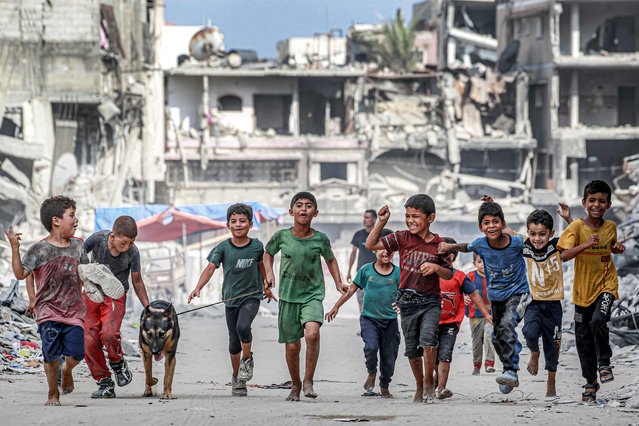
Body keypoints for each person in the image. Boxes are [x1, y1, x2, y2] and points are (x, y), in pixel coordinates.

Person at [365, 194, 453, 402]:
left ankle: (430, 383)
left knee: (429, 340)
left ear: (430, 218)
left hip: (431, 301)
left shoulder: (439, 244)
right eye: (407, 216)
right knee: (412, 349)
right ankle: (420, 384)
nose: (410, 220)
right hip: (407, 303)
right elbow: (371, 244)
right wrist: (382, 222)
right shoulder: (401, 237)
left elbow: (449, 273)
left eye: (416, 216)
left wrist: (436, 267)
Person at [438, 200, 530, 394]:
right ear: (481, 227)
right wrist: (448, 246)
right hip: (496, 298)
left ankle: (512, 370)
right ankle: (507, 369)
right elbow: (466, 247)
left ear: (503, 224)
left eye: (495, 221)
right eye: (486, 223)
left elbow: (537, 247)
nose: (491, 226)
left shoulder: (517, 243)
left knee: (506, 325)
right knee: (496, 336)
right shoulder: (480, 244)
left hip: (518, 293)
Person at [263, 191, 348, 401]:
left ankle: (308, 380)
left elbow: (331, 259)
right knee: (292, 346)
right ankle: (295, 384)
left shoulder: (320, 239)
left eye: (308, 206)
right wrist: (269, 273)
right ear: (291, 211)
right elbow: (268, 253)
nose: (303, 209)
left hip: (312, 295)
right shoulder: (281, 236)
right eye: (299, 205)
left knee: (312, 334)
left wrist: (338, 281)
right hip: (288, 297)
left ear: (315, 213)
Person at [6, 195, 89, 406]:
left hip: (74, 312)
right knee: (51, 356)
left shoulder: (79, 247)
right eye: (72, 215)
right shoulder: (39, 250)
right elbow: (20, 274)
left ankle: (67, 369)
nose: (76, 220)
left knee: (78, 352)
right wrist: (15, 248)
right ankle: (53, 393)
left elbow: (87, 273)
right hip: (48, 312)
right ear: (56, 220)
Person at [188, 203, 274, 397]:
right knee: (233, 342)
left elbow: (262, 266)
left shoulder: (256, 246)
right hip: (230, 299)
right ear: (228, 225)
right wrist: (198, 288)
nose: (238, 224)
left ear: (250, 224)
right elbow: (210, 268)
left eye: (242, 221)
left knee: (243, 327)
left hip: (251, 296)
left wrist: (266, 287)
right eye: (233, 221)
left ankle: (247, 361)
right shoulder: (223, 247)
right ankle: (237, 378)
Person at [558, 180, 625, 402]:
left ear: (609, 204)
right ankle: (590, 382)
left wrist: (617, 248)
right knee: (583, 338)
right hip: (581, 292)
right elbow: (564, 255)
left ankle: (604, 363)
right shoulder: (577, 227)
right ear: (584, 202)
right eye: (592, 200)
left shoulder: (610, 227)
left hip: (606, 285)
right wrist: (586, 244)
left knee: (598, 321)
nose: (597, 204)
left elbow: (611, 246)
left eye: (602, 201)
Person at [83, 215, 151, 398]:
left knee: (108, 333)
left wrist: (148, 307)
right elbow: (78, 256)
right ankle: (104, 382)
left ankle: (118, 364)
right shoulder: (97, 240)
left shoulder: (133, 253)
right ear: (112, 236)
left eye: (131, 243)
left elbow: (137, 281)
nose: (127, 247)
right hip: (92, 293)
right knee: (89, 341)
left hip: (115, 296)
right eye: (124, 242)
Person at [325, 238, 400, 398]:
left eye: (389, 249)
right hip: (369, 319)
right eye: (381, 248)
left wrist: (402, 304)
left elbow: (405, 293)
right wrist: (336, 306)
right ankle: (371, 371)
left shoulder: (398, 273)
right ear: (374, 250)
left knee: (389, 357)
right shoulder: (366, 270)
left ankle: (384, 385)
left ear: (394, 252)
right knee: (371, 347)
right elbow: (351, 290)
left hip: (390, 321)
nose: (385, 252)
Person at [434, 237, 491, 399]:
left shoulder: (459, 277)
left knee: (445, 353)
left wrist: (486, 314)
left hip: (450, 323)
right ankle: (435, 379)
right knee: (432, 355)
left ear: (449, 257)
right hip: (430, 321)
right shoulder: (430, 274)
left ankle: (441, 388)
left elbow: (474, 294)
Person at [521, 209, 569, 398]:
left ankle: (551, 380)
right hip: (533, 302)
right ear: (527, 232)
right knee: (529, 332)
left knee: (553, 344)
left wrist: (567, 219)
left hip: (553, 305)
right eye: (532, 233)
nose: (537, 238)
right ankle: (534, 352)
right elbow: (505, 230)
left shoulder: (557, 246)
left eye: (542, 234)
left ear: (551, 233)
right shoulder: (524, 245)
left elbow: (577, 235)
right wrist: (493, 207)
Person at [465, 253, 496, 375]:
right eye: (479, 262)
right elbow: (461, 289)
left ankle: (489, 364)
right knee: (477, 341)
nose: (483, 264)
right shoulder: (470, 276)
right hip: (475, 315)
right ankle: (476, 366)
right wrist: (464, 297)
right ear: (474, 264)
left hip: (491, 314)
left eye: (486, 261)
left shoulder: (494, 276)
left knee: (489, 335)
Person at [346, 210, 378, 311]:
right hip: (362, 272)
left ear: (374, 219)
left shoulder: (379, 234)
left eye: (368, 217)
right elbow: (353, 254)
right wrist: (349, 272)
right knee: (361, 298)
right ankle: (363, 319)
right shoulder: (358, 234)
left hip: (377, 273)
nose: (365, 220)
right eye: (364, 217)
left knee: (375, 299)